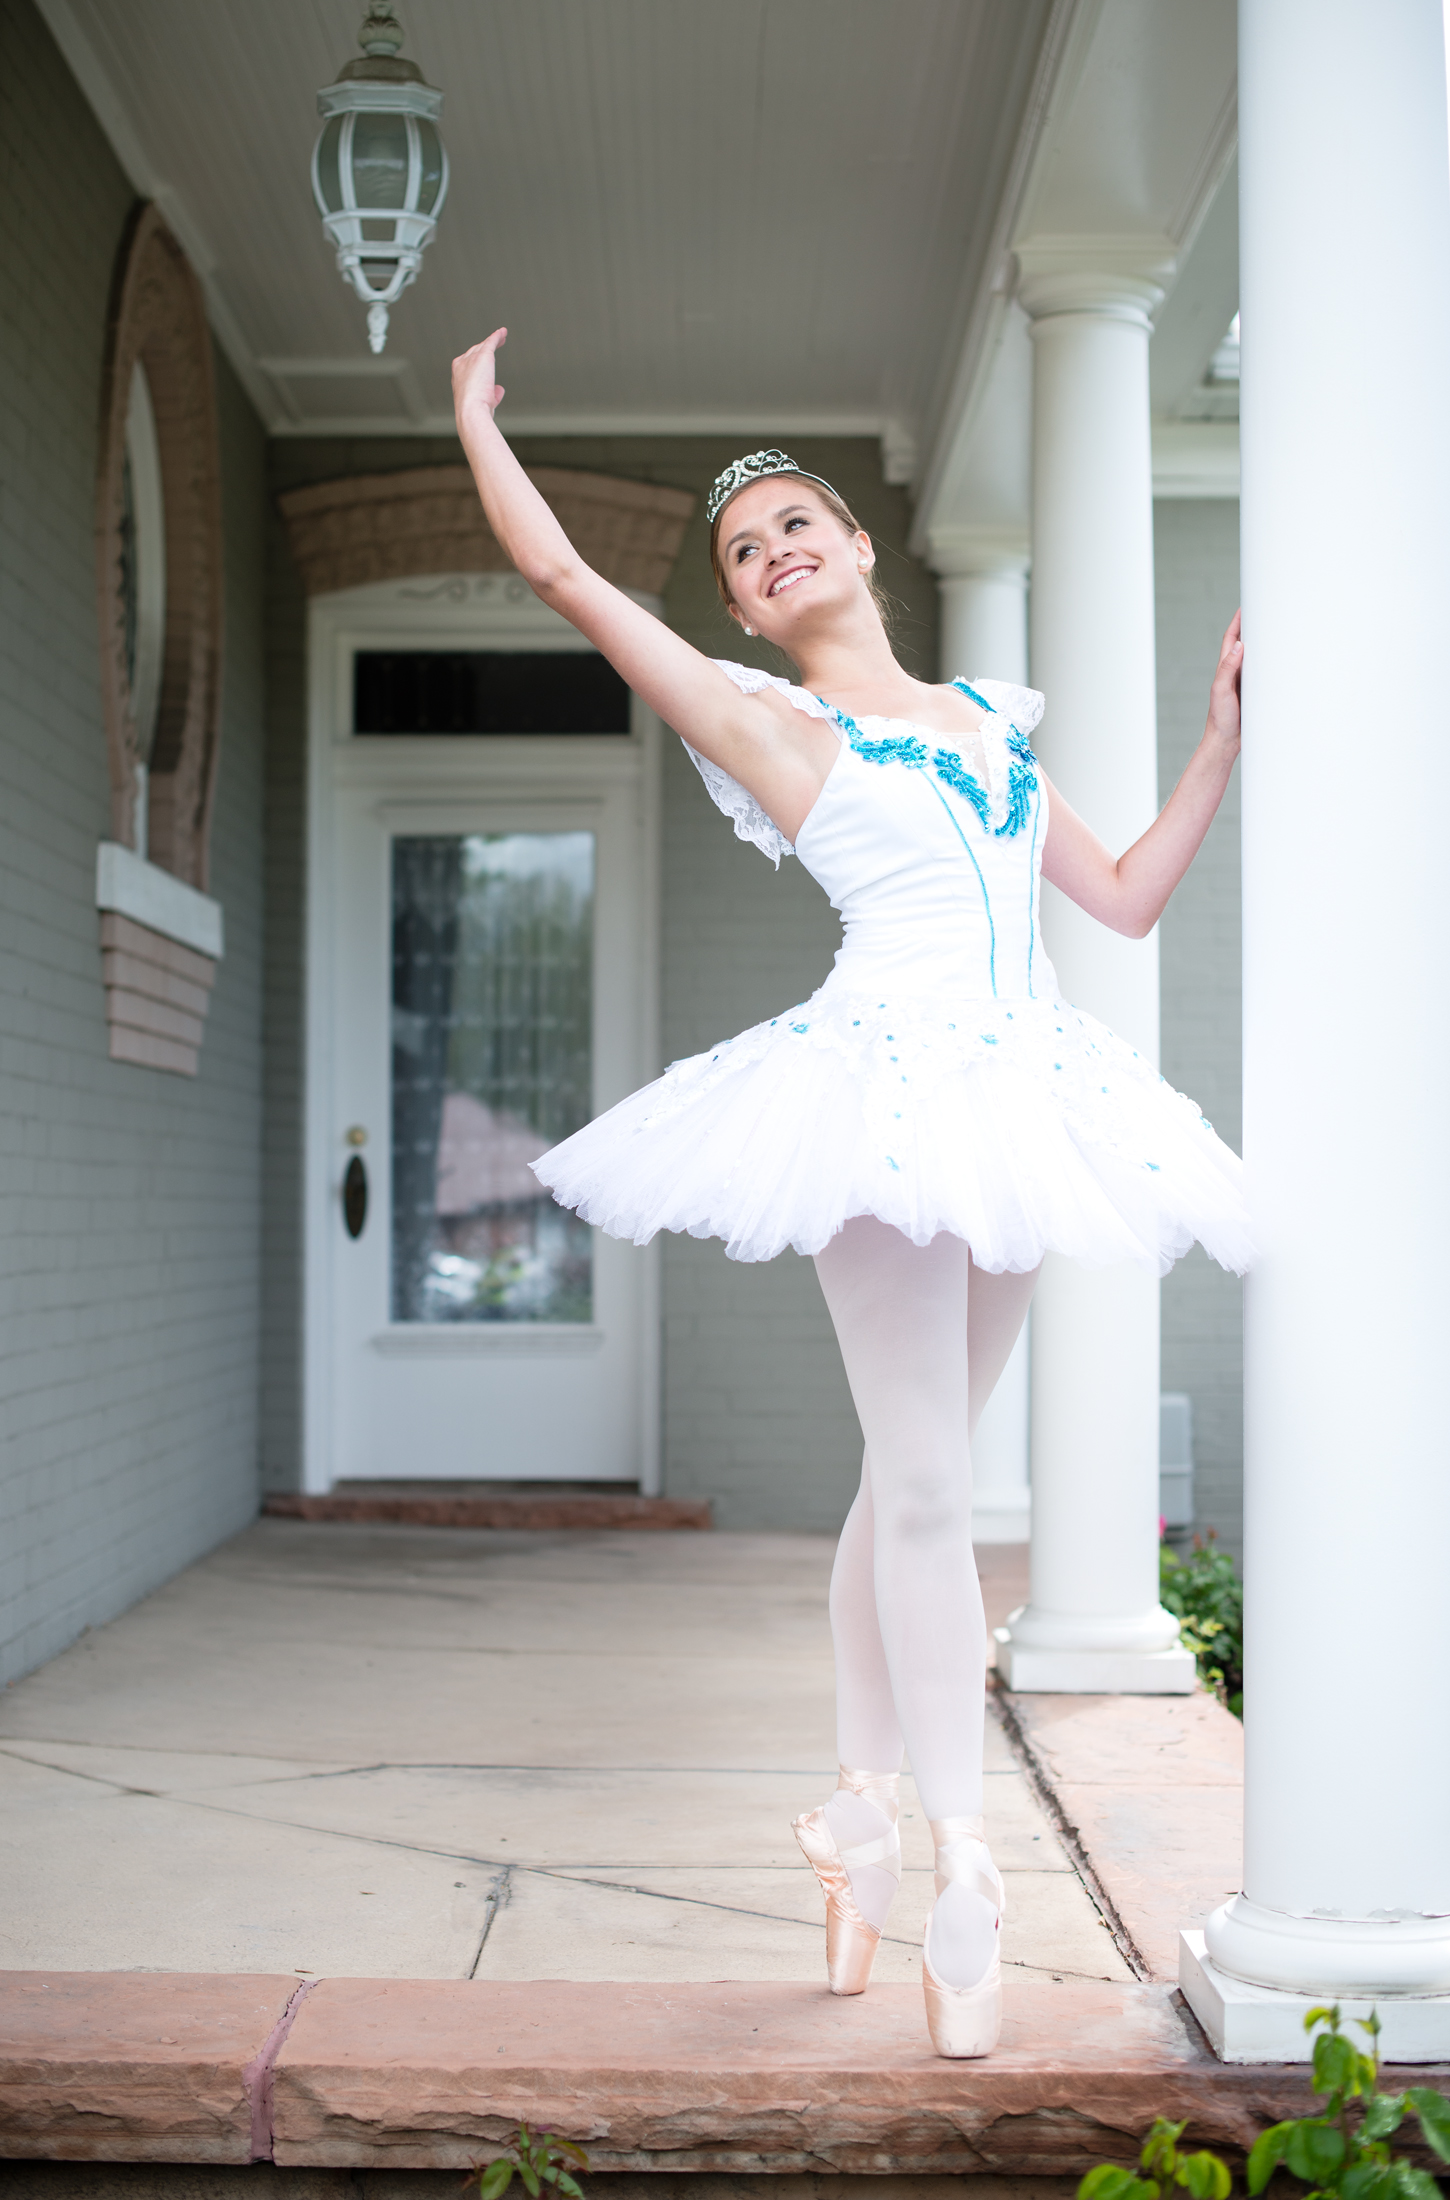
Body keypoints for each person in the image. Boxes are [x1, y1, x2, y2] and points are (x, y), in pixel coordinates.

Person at [452, 329, 1251, 2058]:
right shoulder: (763, 721)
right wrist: (471, 424)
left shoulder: (991, 725)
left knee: (909, 1474)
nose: (772, 552)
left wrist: (1213, 746)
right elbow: (564, 574)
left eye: (794, 523)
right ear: (744, 613)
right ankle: (965, 1867)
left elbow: (1117, 900)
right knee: (931, 1485)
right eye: (743, 553)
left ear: (859, 544)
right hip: (879, 1097)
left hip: (1020, 1093)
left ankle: (856, 1816)